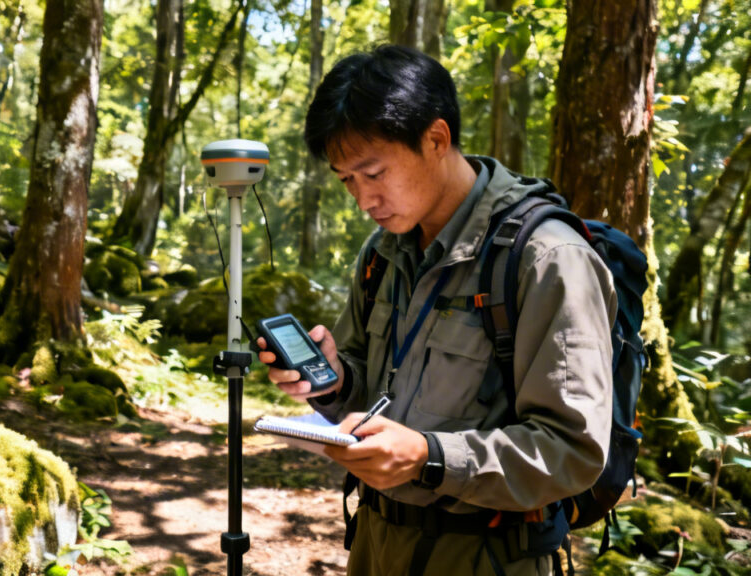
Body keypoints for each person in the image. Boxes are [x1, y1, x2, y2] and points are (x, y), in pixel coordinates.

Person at [257, 45, 617, 575]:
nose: (364, 200)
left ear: (436, 139)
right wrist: (334, 383)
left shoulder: (546, 258)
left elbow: (572, 449)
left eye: (373, 173)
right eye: (347, 180)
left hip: (486, 555)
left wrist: (430, 456)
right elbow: (372, 394)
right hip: (374, 542)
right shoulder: (383, 253)